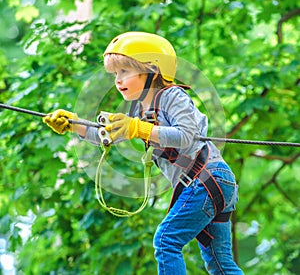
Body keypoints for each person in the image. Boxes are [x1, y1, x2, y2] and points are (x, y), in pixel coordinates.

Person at [43, 31, 244, 275]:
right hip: (210, 183)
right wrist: (74, 124)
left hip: (206, 179)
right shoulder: (140, 110)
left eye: (124, 71)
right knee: (219, 261)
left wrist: (139, 128)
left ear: (153, 71)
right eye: (115, 73)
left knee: (165, 241)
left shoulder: (172, 96)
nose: (117, 80)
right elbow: (108, 136)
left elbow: (187, 135)